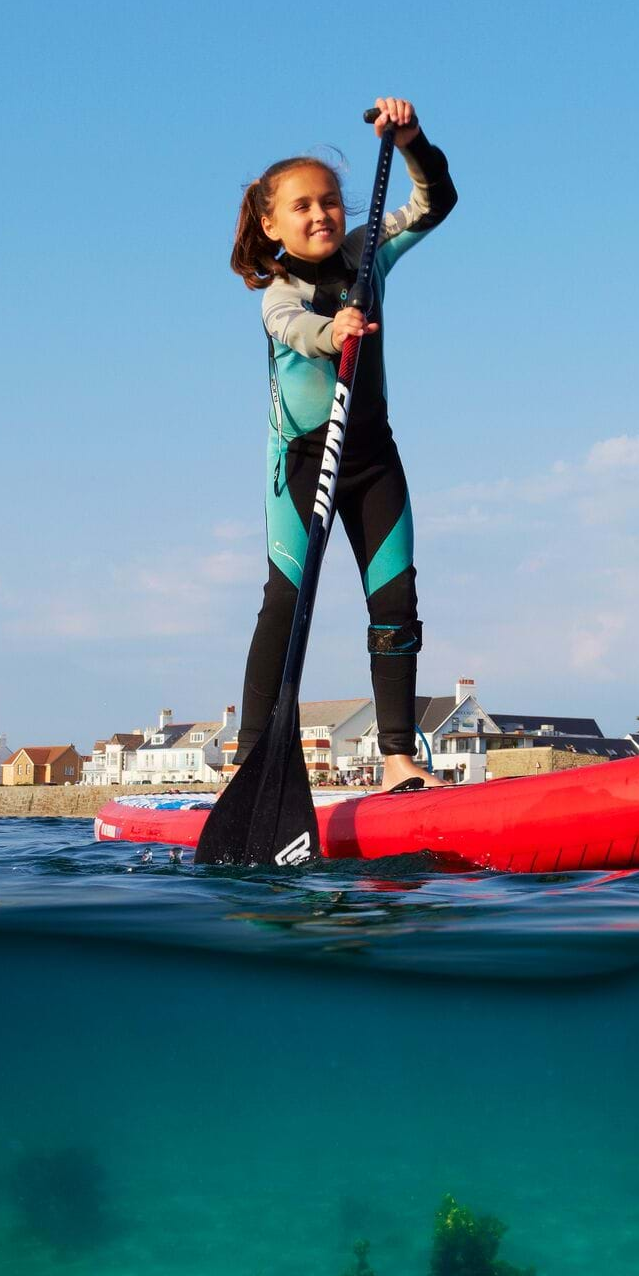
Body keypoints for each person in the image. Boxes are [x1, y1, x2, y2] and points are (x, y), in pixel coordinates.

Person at [227, 96, 456, 792]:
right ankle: (249, 763)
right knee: (285, 600)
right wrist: (338, 333)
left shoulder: (366, 254)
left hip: (371, 459)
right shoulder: (276, 292)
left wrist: (412, 141)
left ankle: (397, 760)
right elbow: (297, 329)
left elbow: (435, 201)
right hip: (301, 466)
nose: (321, 213)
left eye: (329, 200)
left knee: (395, 600)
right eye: (301, 206)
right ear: (271, 223)